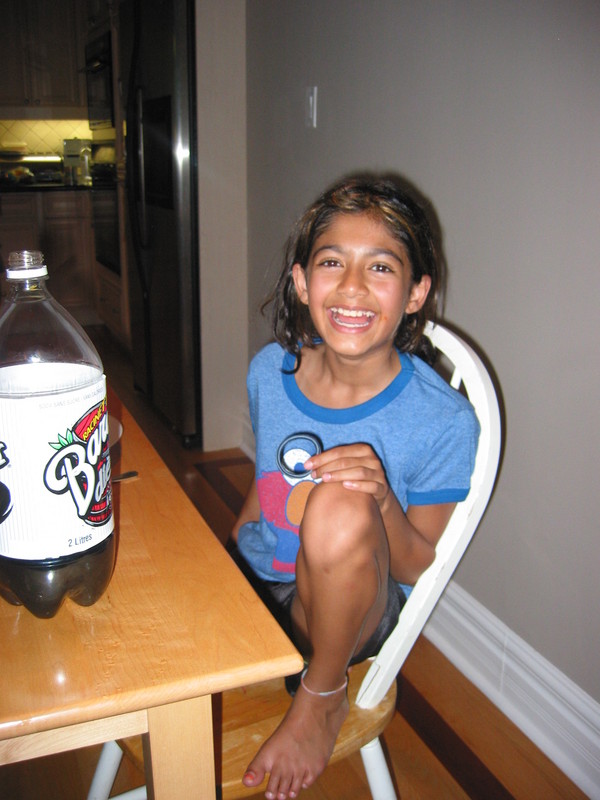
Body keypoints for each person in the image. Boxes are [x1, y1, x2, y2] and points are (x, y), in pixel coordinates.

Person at [230, 174, 480, 800]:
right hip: (258, 585)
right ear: (301, 282)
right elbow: (267, 480)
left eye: (381, 267)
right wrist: (235, 543)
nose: (352, 286)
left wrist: (382, 498)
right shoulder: (270, 370)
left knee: (341, 501)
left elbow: (417, 564)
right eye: (332, 262)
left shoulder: (442, 420)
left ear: (417, 293)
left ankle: (322, 695)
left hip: (348, 611)